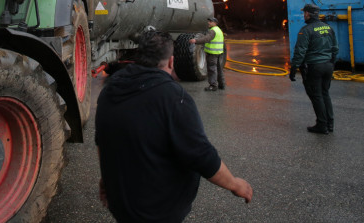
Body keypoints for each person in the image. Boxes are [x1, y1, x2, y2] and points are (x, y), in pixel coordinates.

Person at [95, 30, 252, 222]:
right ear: (171, 61)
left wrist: (106, 180)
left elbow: (102, 141)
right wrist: (235, 184)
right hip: (159, 211)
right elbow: (202, 155)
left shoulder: (110, 90)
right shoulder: (174, 98)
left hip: (121, 204)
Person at [290, 3, 339, 134]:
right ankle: (330, 124)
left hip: (314, 67)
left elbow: (300, 51)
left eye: (304, 13)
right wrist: (331, 63)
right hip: (328, 66)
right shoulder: (328, 28)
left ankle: (322, 125)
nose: (303, 15)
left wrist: (294, 68)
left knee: (316, 96)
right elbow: (335, 48)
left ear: (307, 14)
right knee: (325, 94)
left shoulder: (306, 30)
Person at [189, 16, 225, 91]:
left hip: (212, 53)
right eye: (208, 21)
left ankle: (213, 85)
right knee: (219, 69)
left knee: (212, 69)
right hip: (219, 53)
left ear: (215, 23)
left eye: (210, 21)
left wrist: (196, 41)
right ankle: (221, 84)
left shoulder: (212, 31)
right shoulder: (219, 30)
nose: (208, 23)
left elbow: (206, 39)